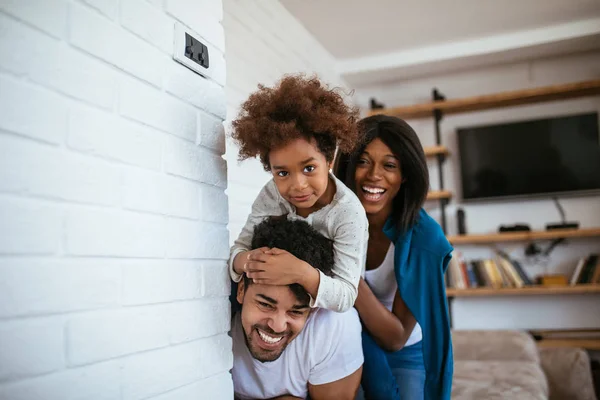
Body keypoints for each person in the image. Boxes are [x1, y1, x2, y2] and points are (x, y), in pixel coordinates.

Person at [334, 115, 454, 400]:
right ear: (349, 167)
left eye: (389, 165)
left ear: (405, 175)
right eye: (363, 161)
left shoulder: (426, 239)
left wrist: (346, 276)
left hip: (405, 353)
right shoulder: (332, 220)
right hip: (346, 340)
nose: (374, 175)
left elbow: (396, 338)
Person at [229, 75, 369, 313]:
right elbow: (238, 251)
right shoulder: (271, 193)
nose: (298, 185)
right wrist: (252, 261)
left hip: (324, 307)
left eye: (309, 168)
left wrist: (299, 271)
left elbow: (346, 295)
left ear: (329, 160)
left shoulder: (348, 212)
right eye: (282, 173)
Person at [231, 217, 364, 400]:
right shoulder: (213, 313)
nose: (277, 326)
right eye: (265, 305)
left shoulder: (334, 323)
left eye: (296, 311)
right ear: (241, 290)